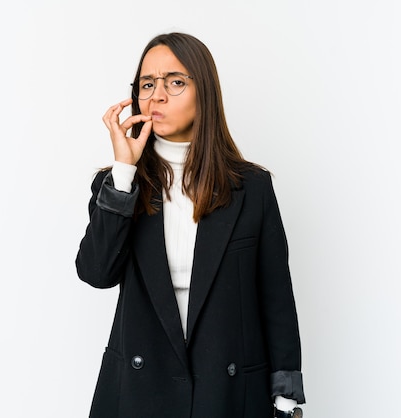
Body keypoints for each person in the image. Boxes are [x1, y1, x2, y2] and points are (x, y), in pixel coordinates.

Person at [75, 32, 305, 418]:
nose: (157, 95)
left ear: (205, 93)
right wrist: (124, 172)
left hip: (228, 394)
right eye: (147, 84)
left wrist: (287, 399)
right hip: (138, 395)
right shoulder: (117, 184)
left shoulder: (251, 188)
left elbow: (277, 299)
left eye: (175, 82)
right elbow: (97, 273)